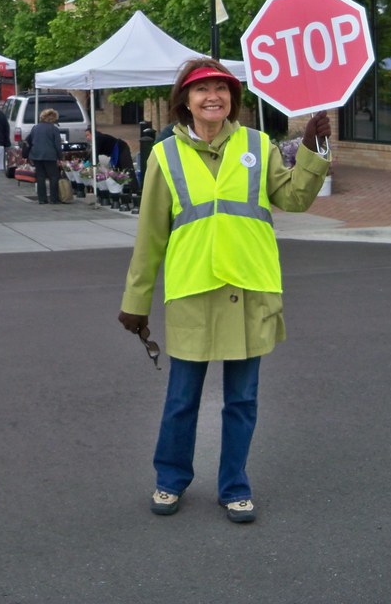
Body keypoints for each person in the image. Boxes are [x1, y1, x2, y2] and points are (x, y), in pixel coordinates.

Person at [117, 58, 331, 524]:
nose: (213, 96)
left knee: (243, 399)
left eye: (222, 88)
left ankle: (234, 485)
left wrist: (313, 150)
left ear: (233, 98)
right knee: (182, 399)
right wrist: (135, 302)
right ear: (185, 100)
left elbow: (294, 198)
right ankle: (170, 480)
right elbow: (151, 234)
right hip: (194, 289)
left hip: (250, 287)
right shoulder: (164, 155)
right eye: (201, 90)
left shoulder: (257, 144)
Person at [26, 108, 63, 204]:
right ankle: (53, 199)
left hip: (36, 154)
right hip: (50, 156)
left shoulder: (35, 128)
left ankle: (42, 199)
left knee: (40, 177)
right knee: (53, 176)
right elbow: (58, 145)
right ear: (53, 118)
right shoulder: (54, 129)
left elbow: (30, 140)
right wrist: (60, 157)